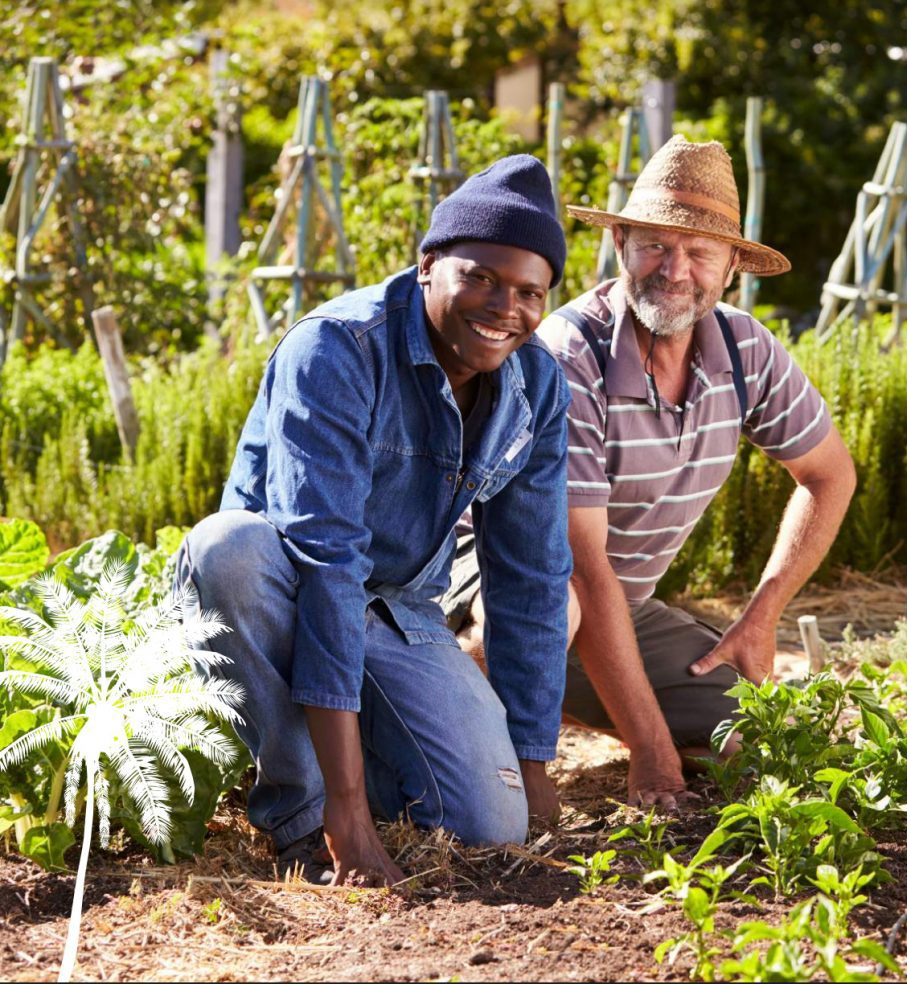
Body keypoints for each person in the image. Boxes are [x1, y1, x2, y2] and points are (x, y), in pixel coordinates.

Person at [177, 155, 572, 887]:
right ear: (428, 264)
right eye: (480, 277)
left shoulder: (537, 387)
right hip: (281, 592)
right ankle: (300, 810)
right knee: (224, 548)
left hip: (396, 608)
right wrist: (346, 813)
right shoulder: (338, 349)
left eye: (528, 292)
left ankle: (340, 749)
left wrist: (533, 765)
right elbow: (325, 563)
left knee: (491, 822)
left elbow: (533, 578)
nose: (502, 307)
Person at [444, 136, 857, 811]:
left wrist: (761, 615)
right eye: (655, 246)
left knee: (760, 736)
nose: (675, 270)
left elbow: (829, 474)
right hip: (493, 581)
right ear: (621, 247)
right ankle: (422, 711)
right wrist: (651, 752)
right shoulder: (567, 355)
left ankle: (553, 699)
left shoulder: (747, 350)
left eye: (699, 253)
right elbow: (578, 567)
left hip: (616, 610)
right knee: (549, 609)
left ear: (731, 269)